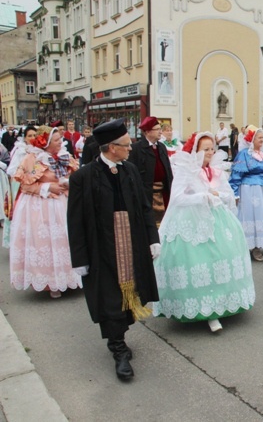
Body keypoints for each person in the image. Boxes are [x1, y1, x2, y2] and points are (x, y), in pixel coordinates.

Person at [67, 118, 161, 381]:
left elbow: (144, 207)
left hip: (132, 242)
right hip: (102, 247)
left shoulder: (129, 170)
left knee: (130, 290)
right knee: (108, 295)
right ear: (110, 148)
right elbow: (75, 221)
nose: (130, 148)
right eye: (125, 145)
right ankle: (118, 349)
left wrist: (153, 238)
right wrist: (80, 258)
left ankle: (119, 337)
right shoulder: (82, 178)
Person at [152, 132, 255, 332]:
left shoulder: (216, 171)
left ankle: (223, 303)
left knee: (221, 261)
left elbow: (226, 193)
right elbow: (178, 198)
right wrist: (203, 197)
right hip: (193, 222)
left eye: (211, 149)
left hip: (218, 220)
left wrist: (222, 196)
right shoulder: (186, 171)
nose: (209, 153)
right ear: (195, 151)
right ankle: (206, 311)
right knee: (200, 263)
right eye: (205, 149)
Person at [9, 126, 80, 298]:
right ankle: (51, 282)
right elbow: (25, 185)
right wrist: (48, 187)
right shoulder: (32, 159)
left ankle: (71, 277)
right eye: (56, 140)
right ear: (46, 143)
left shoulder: (65, 155)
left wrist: (69, 182)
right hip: (42, 207)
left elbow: (76, 175)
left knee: (67, 240)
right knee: (46, 243)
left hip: (63, 203)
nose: (60, 142)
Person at [229, 126, 263, 262]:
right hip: (248, 190)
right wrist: (235, 194)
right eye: (260, 137)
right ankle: (245, 245)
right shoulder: (244, 154)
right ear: (252, 140)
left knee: (262, 216)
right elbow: (236, 175)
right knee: (249, 217)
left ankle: (257, 246)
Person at [129, 116, 173, 225]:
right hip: (147, 193)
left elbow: (168, 168)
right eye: (157, 129)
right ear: (148, 132)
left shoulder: (161, 147)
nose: (160, 132)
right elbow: (132, 173)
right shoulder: (136, 149)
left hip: (164, 191)